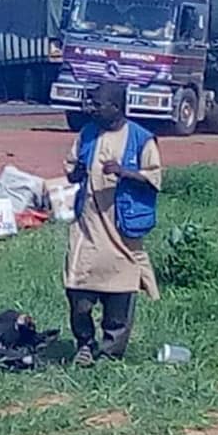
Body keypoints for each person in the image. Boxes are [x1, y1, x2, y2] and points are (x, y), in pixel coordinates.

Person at [63, 82, 162, 366]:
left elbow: (154, 178)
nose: (90, 109)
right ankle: (84, 344)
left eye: (97, 104)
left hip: (122, 232)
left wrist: (124, 172)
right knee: (78, 289)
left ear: (116, 108)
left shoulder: (141, 139)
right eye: (90, 103)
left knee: (119, 293)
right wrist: (77, 172)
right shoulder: (87, 134)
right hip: (87, 227)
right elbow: (70, 170)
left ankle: (110, 352)